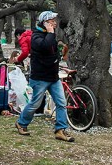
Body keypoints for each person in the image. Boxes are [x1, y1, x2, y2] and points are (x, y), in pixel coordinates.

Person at [15, 11, 74, 142]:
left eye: (54, 20)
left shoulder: (50, 35)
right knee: (35, 104)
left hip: (53, 77)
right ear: (45, 22)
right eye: (52, 20)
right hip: (40, 77)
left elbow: (53, 51)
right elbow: (46, 46)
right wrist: (50, 32)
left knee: (61, 103)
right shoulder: (36, 37)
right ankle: (21, 122)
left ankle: (60, 130)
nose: (55, 23)